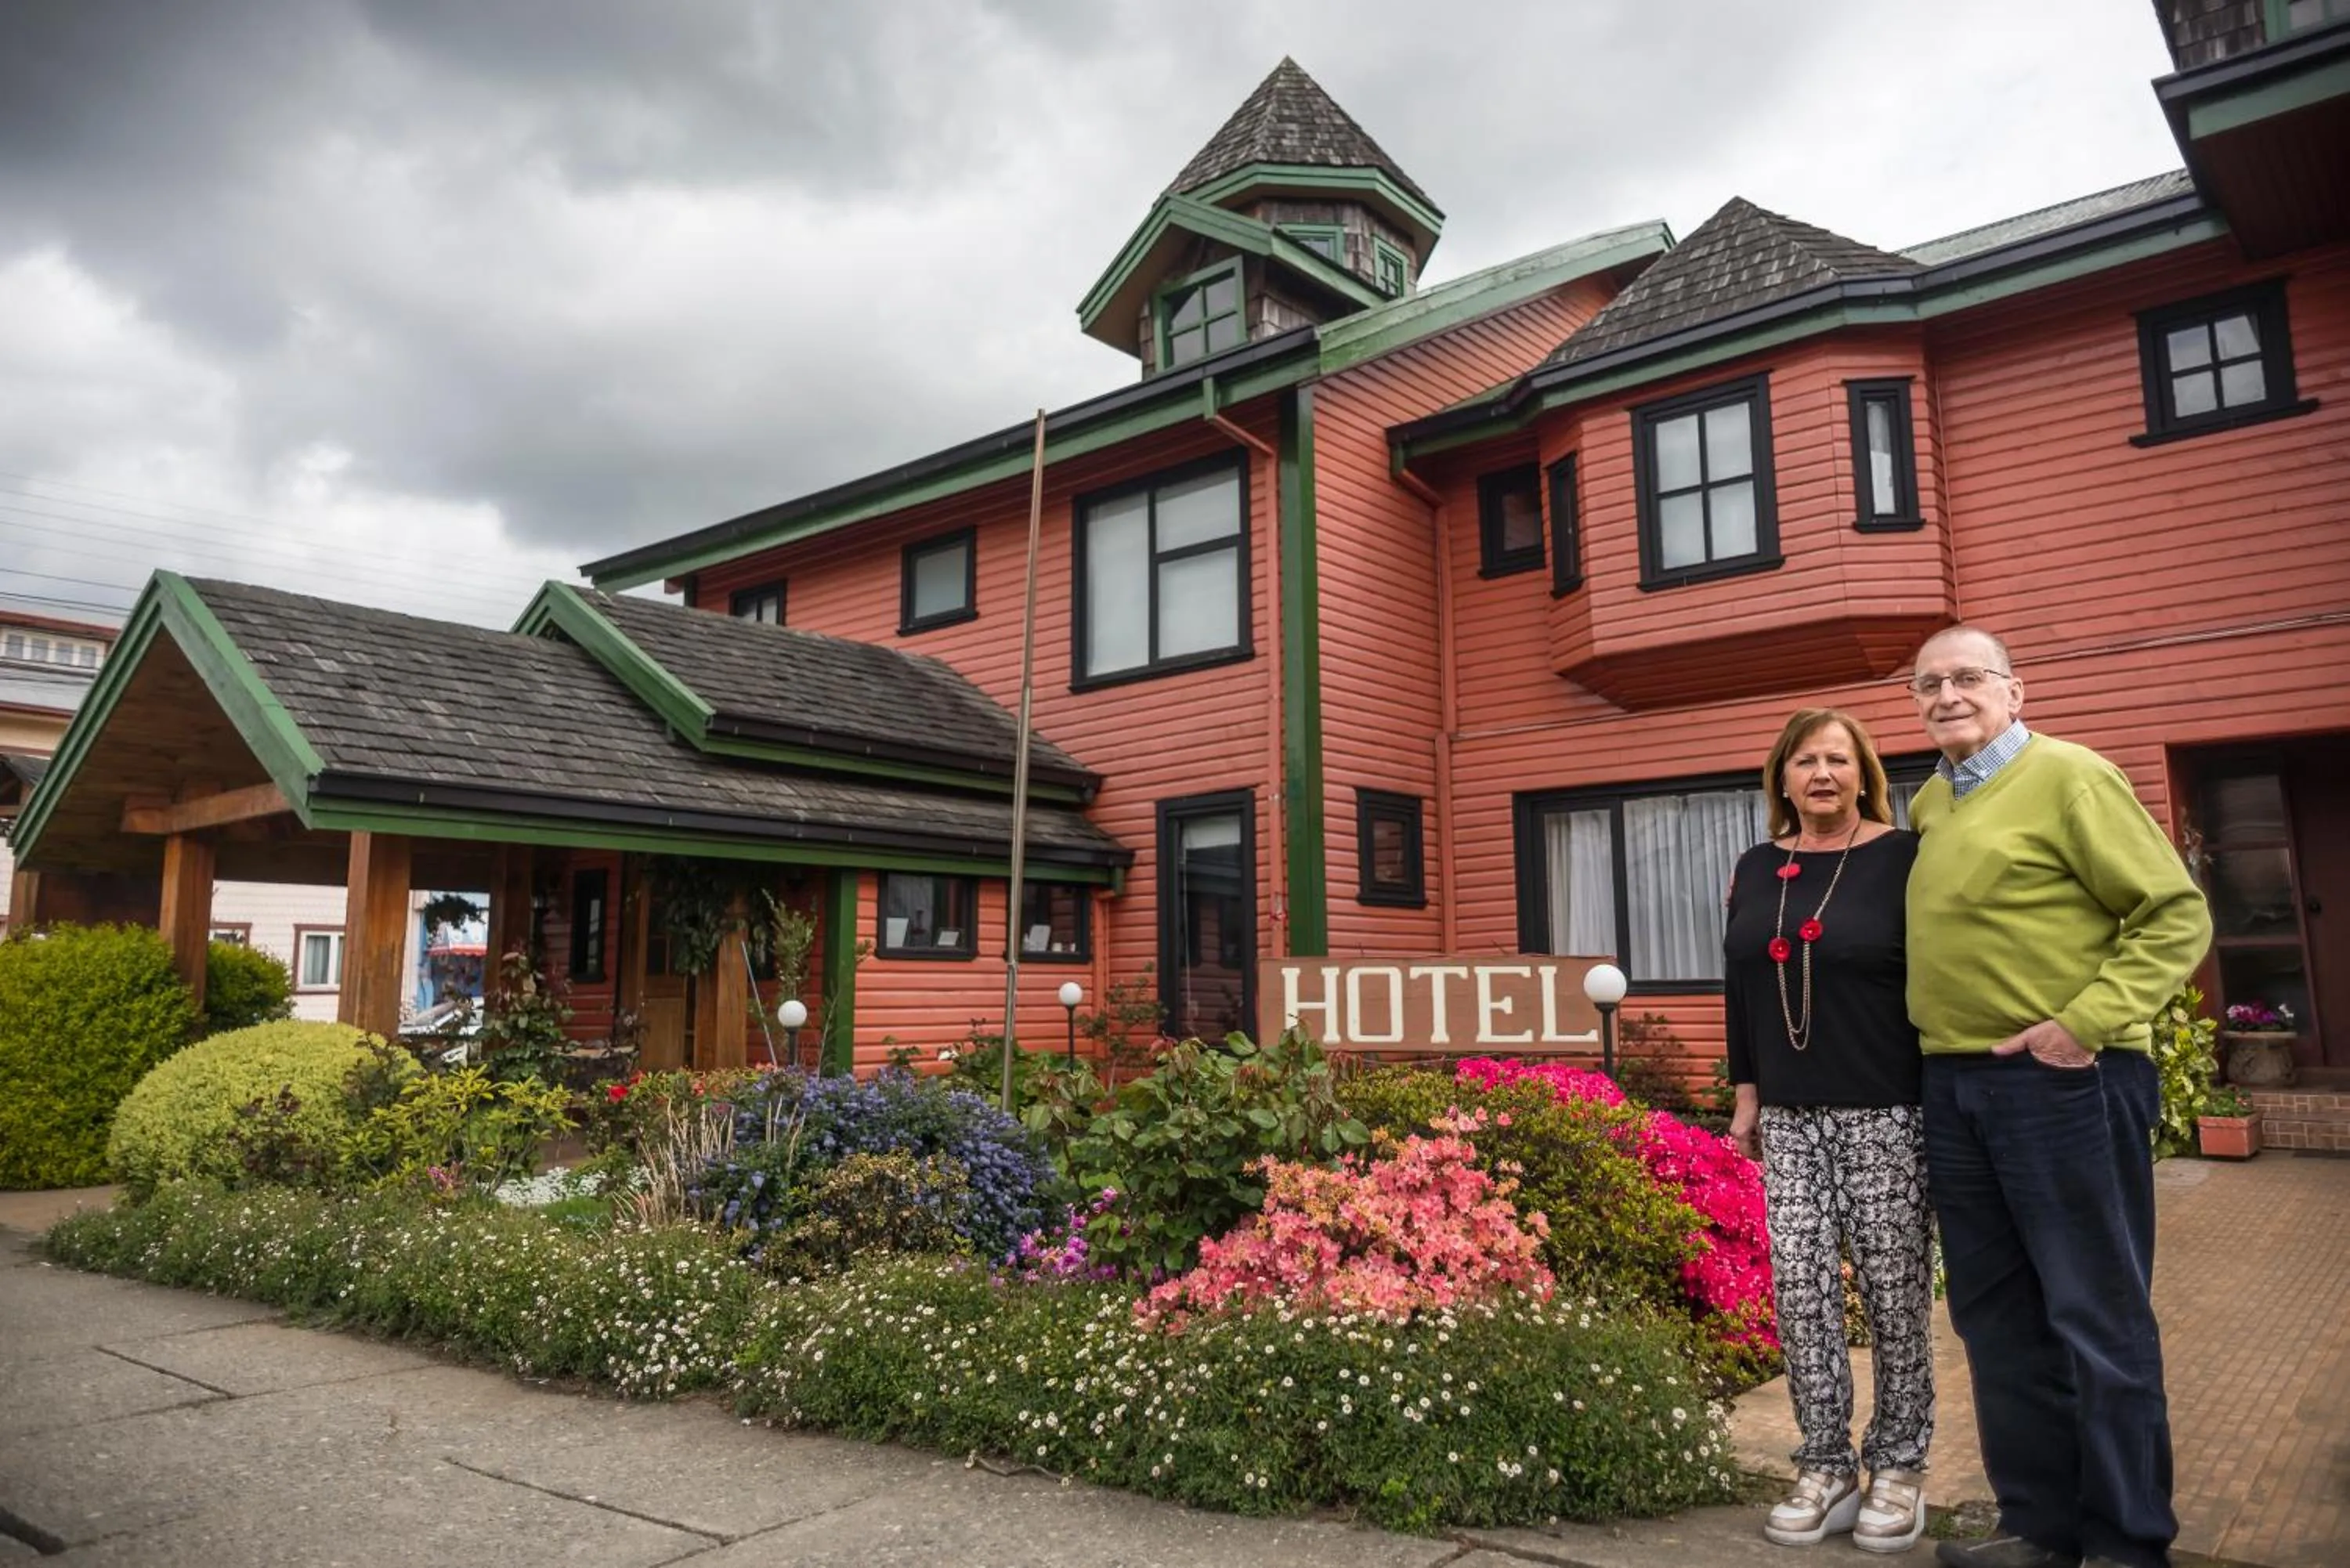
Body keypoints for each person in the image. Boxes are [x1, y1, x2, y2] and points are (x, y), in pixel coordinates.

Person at [1904, 626, 2211, 1568]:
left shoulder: (2071, 776)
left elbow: (2174, 912)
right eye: (1928, 684)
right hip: (1955, 1087)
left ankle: (2127, 1542)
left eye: (1967, 677)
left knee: (2096, 1313)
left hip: (2063, 1080)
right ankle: (2040, 1527)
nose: (1947, 694)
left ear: (2014, 689)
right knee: (1996, 1319)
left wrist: (2085, 1022)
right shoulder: (1929, 802)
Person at [1725, 706, 1934, 1554]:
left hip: (1887, 1108)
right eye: (1804, 760)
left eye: (1838, 760)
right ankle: (1825, 1464)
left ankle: (1899, 1465)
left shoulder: (1902, 857)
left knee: (1894, 1295)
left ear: (1863, 773)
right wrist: (1747, 1096)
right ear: (1782, 777)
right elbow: (1739, 986)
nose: (1821, 773)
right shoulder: (1757, 864)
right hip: (1789, 1115)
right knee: (1802, 1293)